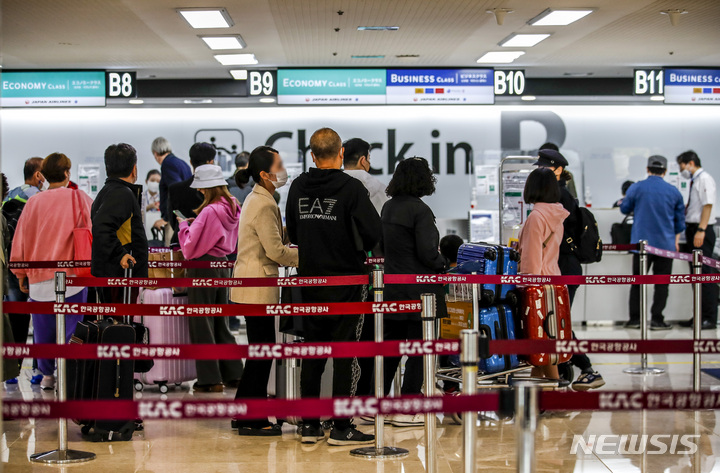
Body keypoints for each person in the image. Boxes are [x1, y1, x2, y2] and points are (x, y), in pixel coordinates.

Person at [286, 127, 381, 446]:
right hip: (347, 283)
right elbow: (372, 232)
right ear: (341, 153)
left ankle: (310, 425)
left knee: (312, 353)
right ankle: (341, 426)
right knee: (345, 355)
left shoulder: (298, 186)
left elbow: (294, 234)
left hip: (310, 280)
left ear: (312, 155)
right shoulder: (351, 188)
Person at [230, 146, 298, 435]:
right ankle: (251, 419)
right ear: (264, 174)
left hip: (250, 284)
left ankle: (242, 410)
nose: (283, 170)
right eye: (279, 165)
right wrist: (307, 255)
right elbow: (276, 252)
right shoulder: (264, 203)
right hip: (257, 284)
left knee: (259, 354)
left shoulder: (258, 198)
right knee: (262, 354)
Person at [10, 153, 93, 390]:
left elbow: (20, 241)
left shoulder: (34, 203)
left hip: (39, 279)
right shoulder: (81, 198)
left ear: (43, 175)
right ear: (67, 173)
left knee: (43, 331)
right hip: (74, 278)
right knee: (72, 330)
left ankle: (47, 376)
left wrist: (21, 274)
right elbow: (93, 232)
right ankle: (69, 377)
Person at [382, 157, 449, 426]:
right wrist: (444, 264)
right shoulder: (420, 210)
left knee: (391, 350)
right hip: (422, 292)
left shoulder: (388, 207)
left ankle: (379, 401)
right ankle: (409, 405)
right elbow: (427, 253)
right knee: (419, 349)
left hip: (392, 288)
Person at [535, 149, 605, 390]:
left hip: (564, 265)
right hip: (561, 264)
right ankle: (564, 370)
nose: (539, 171)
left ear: (557, 169)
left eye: (544, 167)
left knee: (557, 324)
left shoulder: (560, 196)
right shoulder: (555, 194)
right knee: (555, 323)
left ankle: (587, 369)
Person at [177, 164, 244, 392]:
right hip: (223, 264)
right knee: (220, 322)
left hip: (202, 267)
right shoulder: (233, 206)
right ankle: (234, 374)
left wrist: (184, 226)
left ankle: (210, 379)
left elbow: (189, 247)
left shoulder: (208, 212)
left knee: (201, 323)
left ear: (206, 188)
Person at [621, 156, 685, 330]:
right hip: (666, 246)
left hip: (641, 245)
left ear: (648, 169)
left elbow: (624, 208)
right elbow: (680, 223)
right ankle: (657, 319)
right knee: (662, 284)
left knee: (637, 283)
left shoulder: (636, 187)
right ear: (664, 171)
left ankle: (635, 320)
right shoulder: (674, 192)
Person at [517, 167, 570, 381]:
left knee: (541, 344)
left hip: (537, 287)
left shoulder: (537, 216)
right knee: (546, 340)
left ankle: (555, 392)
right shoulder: (556, 214)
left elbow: (531, 259)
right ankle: (541, 391)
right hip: (553, 281)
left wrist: (525, 286)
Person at [2, 157, 46, 385]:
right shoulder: (38, 198)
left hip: (11, 264)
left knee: (16, 319)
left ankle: (12, 370)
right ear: (38, 174)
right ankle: (40, 370)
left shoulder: (10, 196)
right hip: (36, 265)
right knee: (40, 316)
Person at [91, 144, 149, 302]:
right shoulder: (121, 193)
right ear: (134, 169)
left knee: (117, 322)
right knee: (120, 323)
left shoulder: (109, 191)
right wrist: (121, 254)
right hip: (120, 275)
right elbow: (101, 227)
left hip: (114, 273)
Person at [677, 151, 718, 330]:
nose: (681, 170)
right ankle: (698, 316)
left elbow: (708, 205)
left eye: (682, 166)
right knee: (696, 276)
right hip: (693, 228)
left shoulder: (704, 179)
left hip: (702, 229)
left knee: (705, 275)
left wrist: (701, 229)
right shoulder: (696, 180)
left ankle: (709, 317)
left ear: (690, 163)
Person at [168, 142, 216, 244]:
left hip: (181, 243)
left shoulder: (175, 189)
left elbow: (173, 220)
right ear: (211, 162)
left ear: (190, 162)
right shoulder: (219, 190)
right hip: (211, 245)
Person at [151, 137, 192, 231]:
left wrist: (166, 219)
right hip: (184, 216)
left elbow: (175, 191)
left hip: (176, 220)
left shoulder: (167, 164)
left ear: (155, 153)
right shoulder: (181, 163)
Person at [343, 138, 388, 215]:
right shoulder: (379, 188)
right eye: (369, 158)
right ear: (362, 160)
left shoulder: (333, 183)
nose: (369, 163)